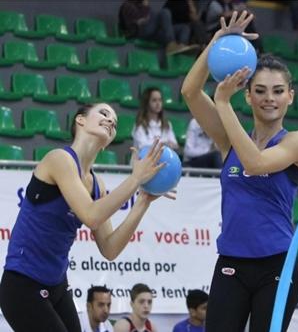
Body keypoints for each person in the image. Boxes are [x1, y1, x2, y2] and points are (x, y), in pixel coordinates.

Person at [181, 10, 298, 332]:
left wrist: (224, 105)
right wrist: (216, 43)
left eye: (278, 91)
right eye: (261, 90)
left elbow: (255, 164)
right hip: (232, 263)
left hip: (278, 264)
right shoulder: (231, 141)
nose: (270, 98)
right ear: (248, 95)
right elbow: (189, 92)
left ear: (290, 97)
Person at [0, 103, 172, 332]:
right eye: (104, 113)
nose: (111, 121)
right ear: (80, 120)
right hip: (23, 284)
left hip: (57, 285)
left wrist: (142, 203)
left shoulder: (98, 185)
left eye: (114, 121)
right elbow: (91, 216)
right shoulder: (59, 159)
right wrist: (135, 179)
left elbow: (109, 249)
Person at [118, 0, 197, 57]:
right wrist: (144, 8)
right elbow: (133, 25)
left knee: (184, 28)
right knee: (164, 12)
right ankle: (171, 44)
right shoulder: (126, 5)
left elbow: (147, 17)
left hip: (153, 33)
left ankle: (181, 46)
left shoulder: (141, 6)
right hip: (140, 31)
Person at [132, 87, 179, 152]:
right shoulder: (139, 125)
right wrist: (164, 144)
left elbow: (175, 145)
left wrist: (158, 145)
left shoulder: (167, 124)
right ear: (147, 103)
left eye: (160, 100)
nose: (158, 103)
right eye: (154, 100)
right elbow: (143, 147)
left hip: (163, 160)